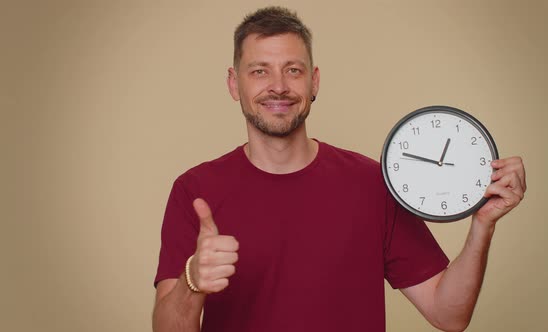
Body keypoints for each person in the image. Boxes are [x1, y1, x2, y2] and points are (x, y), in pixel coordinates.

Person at [152, 6, 526, 332]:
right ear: (235, 84)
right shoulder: (194, 190)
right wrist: (192, 280)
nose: (279, 87)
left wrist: (482, 226)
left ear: (314, 81)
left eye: (293, 70)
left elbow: (449, 315)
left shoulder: (373, 183)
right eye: (260, 71)